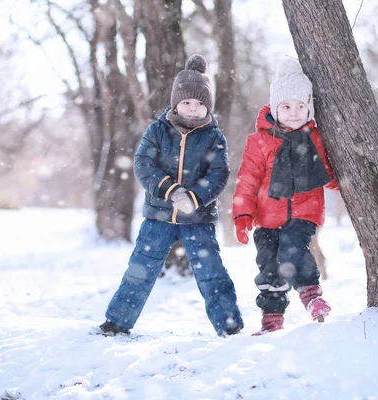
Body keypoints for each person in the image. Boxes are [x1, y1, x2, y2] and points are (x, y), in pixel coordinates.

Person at [96, 54, 244, 337]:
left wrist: (195, 197)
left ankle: (229, 325)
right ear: (176, 102)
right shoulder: (158, 130)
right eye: (187, 102)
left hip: (198, 220)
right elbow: (142, 164)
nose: (192, 108)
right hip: (158, 216)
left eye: (200, 103)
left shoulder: (214, 137)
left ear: (208, 106)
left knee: (211, 272)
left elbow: (219, 174)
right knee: (140, 269)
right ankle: (117, 321)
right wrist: (170, 189)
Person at [232, 58, 339, 336]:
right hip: (266, 219)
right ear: (274, 108)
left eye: (300, 106)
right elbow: (247, 180)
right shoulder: (259, 141)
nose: (293, 113)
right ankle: (271, 321)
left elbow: (328, 170)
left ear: (309, 108)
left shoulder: (315, 138)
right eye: (286, 107)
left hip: (304, 214)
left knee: (292, 248)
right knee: (269, 266)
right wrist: (242, 215)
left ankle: (311, 296)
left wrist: (346, 185)